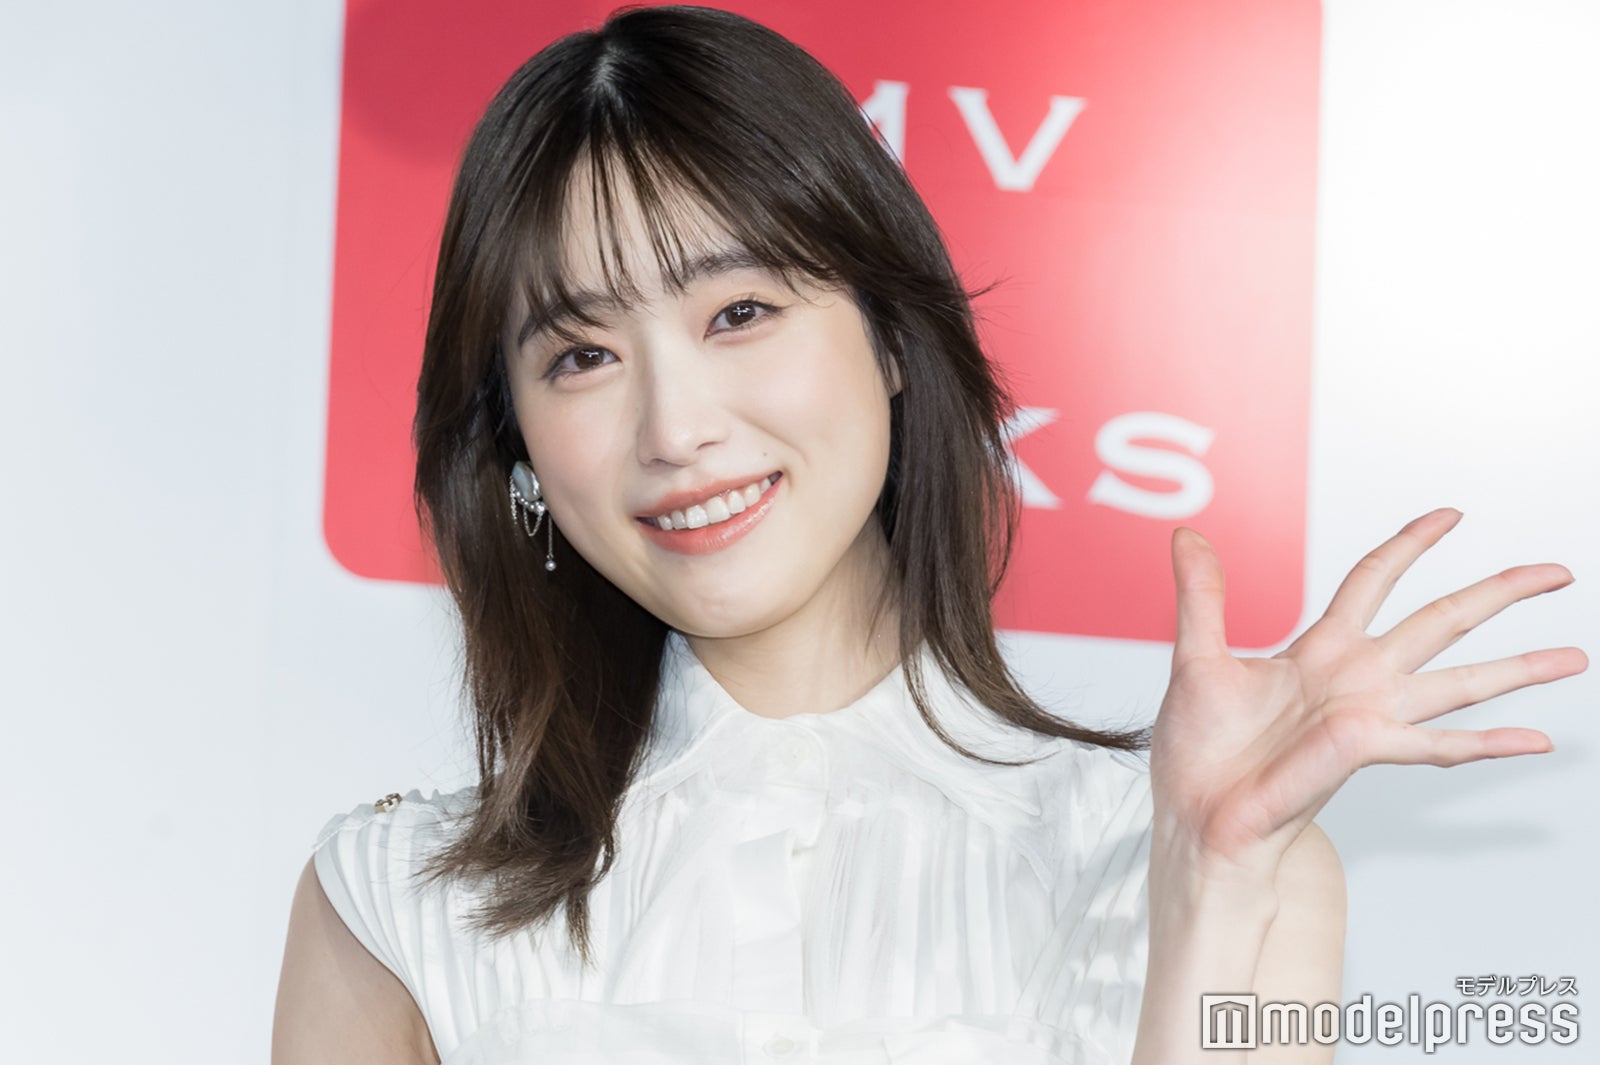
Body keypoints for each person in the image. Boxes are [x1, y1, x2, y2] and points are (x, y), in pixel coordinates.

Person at [271, 6, 1587, 1064]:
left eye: (739, 314)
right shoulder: (390, 904)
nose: (675, 428)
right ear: (513, 443)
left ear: (892, 339)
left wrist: (1214, 893)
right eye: (582, 356)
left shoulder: (1216, 850)